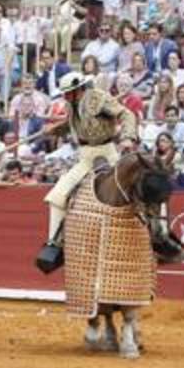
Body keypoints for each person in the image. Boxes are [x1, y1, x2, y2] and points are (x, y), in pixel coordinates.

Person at [41, 72, 137, 250]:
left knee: (128, 193)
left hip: (107, 153)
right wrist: (53, 130)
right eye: (64, 94)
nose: (65, 97)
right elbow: (72, 125)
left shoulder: (99, 98)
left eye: (68, 93)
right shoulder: (71, 105)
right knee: (57, 196)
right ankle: (54, 243)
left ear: (78, 89)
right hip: (84, 156)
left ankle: (154, 234)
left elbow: (127, 114)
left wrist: (128, 137)